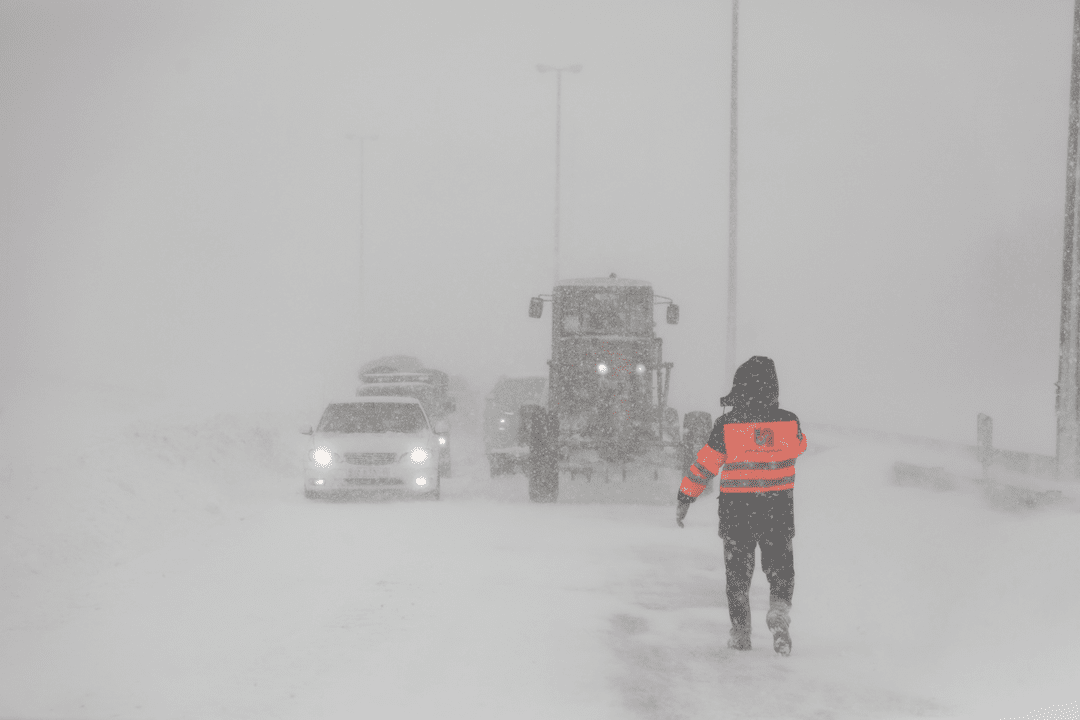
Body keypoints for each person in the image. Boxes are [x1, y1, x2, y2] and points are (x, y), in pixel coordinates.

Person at [675, 356, 807, 655]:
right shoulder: (789, 422)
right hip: (778, 510)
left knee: (738, 576)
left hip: (738, 512)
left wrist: (685, 497)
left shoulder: (726, 425)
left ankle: (741, 633)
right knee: (780, 569)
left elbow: (705, 465)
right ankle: (778, 612)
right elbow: (800, 446)